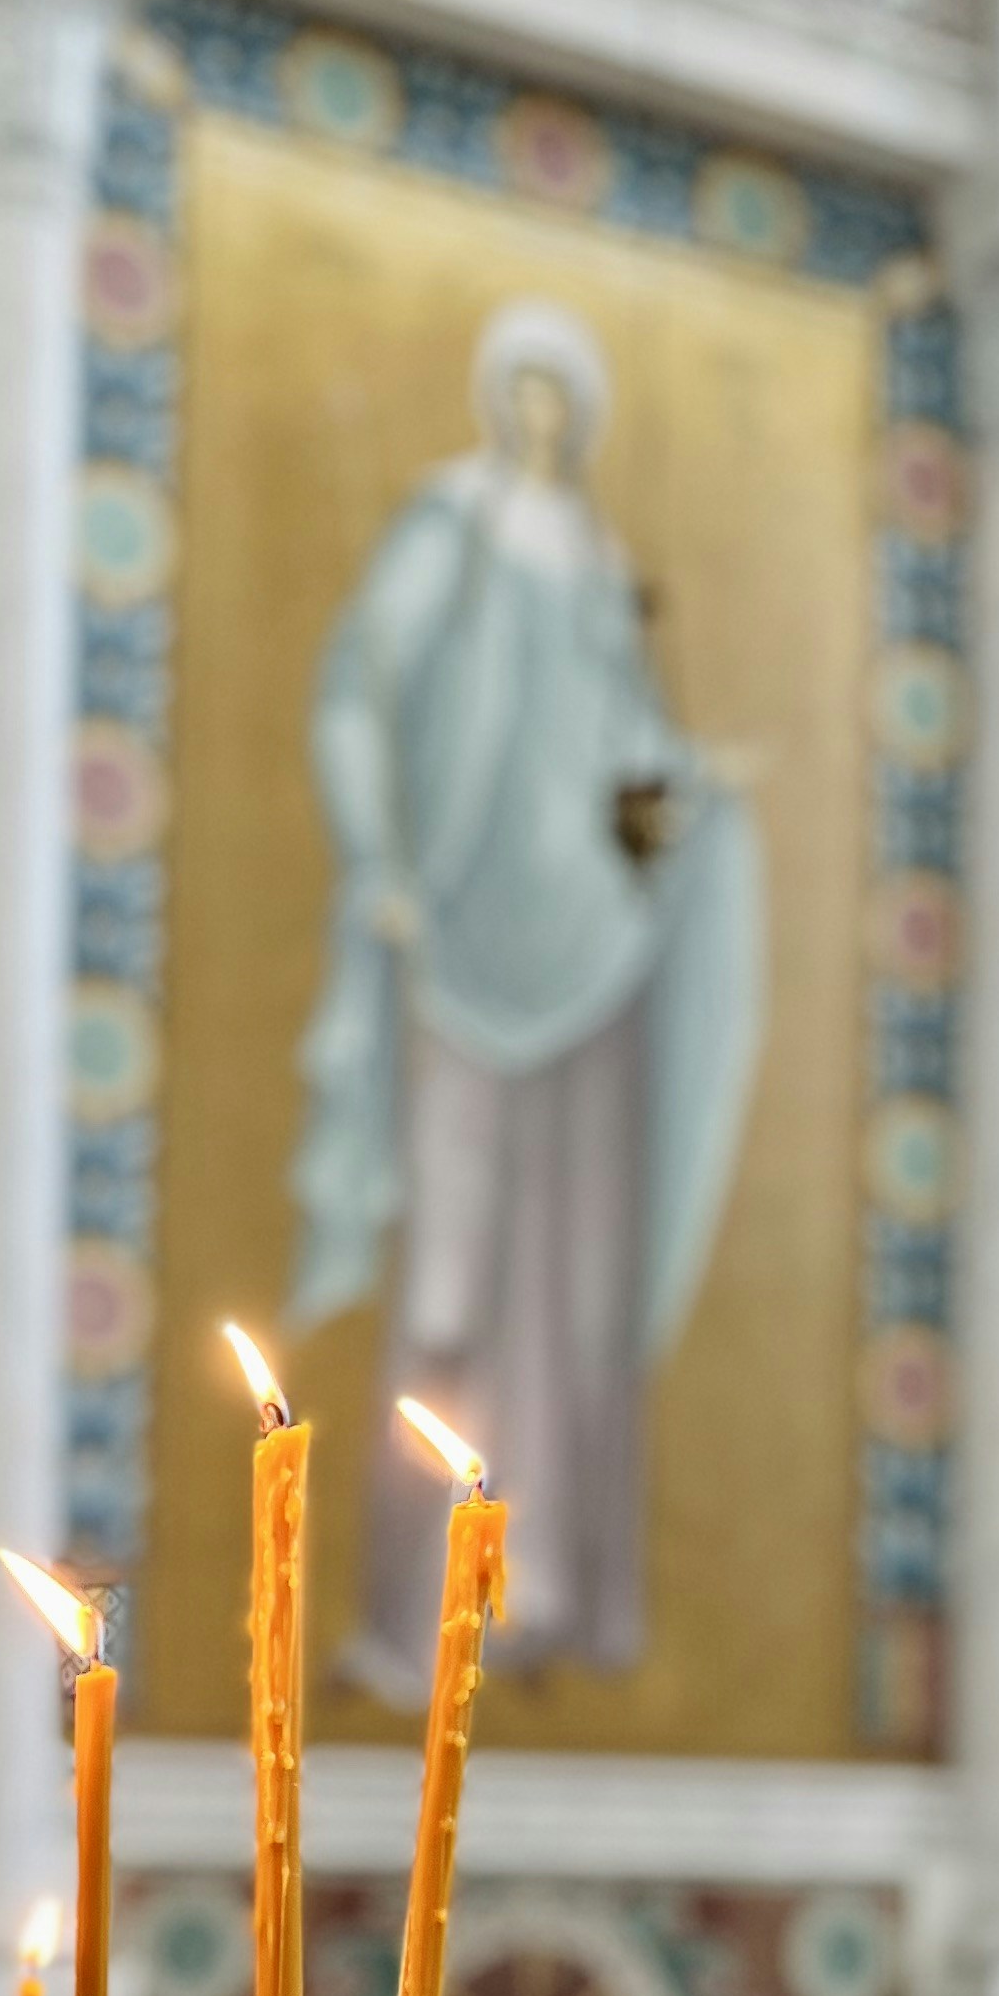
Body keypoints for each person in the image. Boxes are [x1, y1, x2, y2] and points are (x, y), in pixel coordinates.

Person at [291, 298, 766, 1688]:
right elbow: (355, 688)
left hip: (595, 952)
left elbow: (622, 772)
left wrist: (691, 794)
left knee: (573, 1272)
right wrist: (379, 852)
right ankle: (411, 1605)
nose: (545, 420)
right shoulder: (449, 528)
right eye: (528, 392)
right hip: (461, 934)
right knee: (452, 1271)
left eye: (569, 398)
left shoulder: (607, 571)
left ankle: (544, 1586)